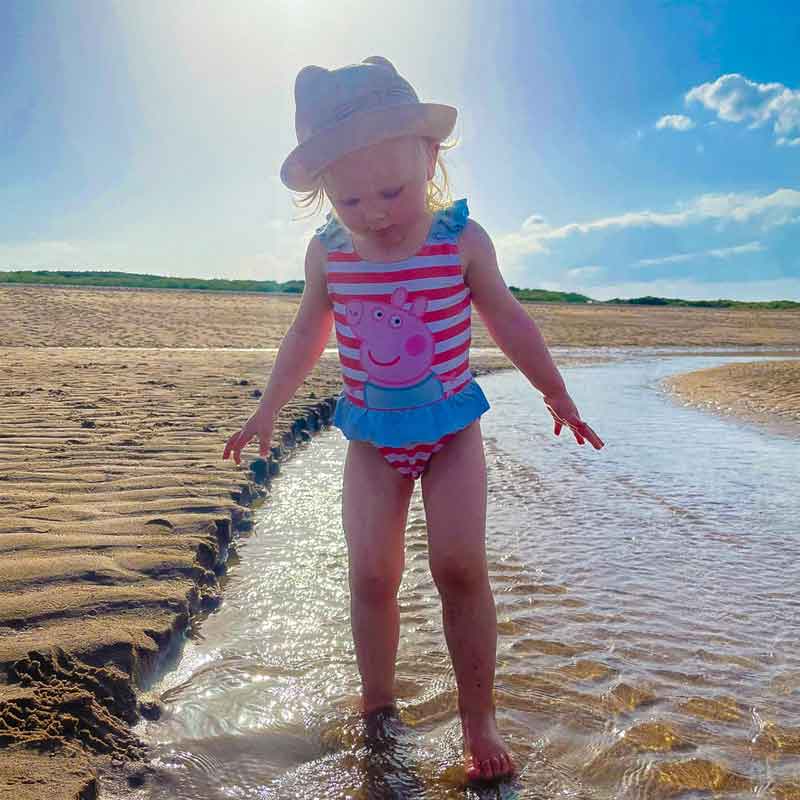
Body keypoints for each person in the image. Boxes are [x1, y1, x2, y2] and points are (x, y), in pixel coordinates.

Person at [223, 56, 604, 783]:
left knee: (459, 567)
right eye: (350, 200)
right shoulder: (330, 254)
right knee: (372, 574)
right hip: (371, 437)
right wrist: (267, 409)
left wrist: (556, 393)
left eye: (392, 191)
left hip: (452, 432)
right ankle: (377, 703)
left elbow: (509, 319)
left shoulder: (460, 239)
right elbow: (306, 334)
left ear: (429, 157)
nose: (374, 212)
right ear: (326, 197)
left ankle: (478, 717)